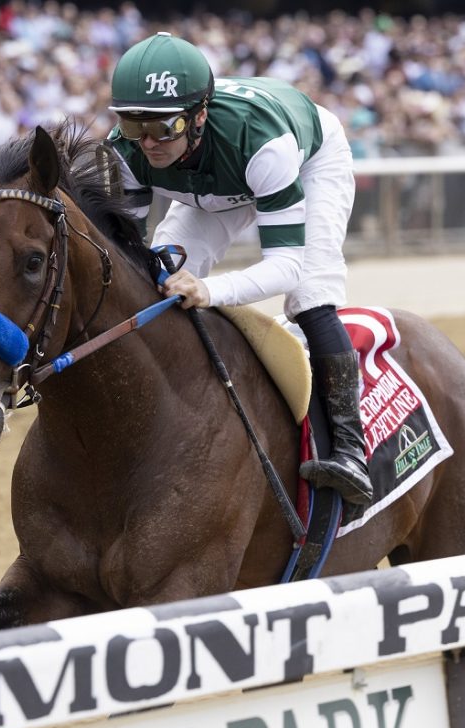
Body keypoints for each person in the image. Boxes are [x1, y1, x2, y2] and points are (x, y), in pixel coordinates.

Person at [107, 32, 372, 505]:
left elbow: (286, 266)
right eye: (132, 126)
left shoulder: (262, 143)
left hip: (302, 160)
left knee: (309, 293)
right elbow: (125, 253)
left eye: (163, 129)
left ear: (198, 115)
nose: (147, 143)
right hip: (214, 180)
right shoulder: (126, 152)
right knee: (156, 280)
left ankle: (352, 449)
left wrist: (209, 290)